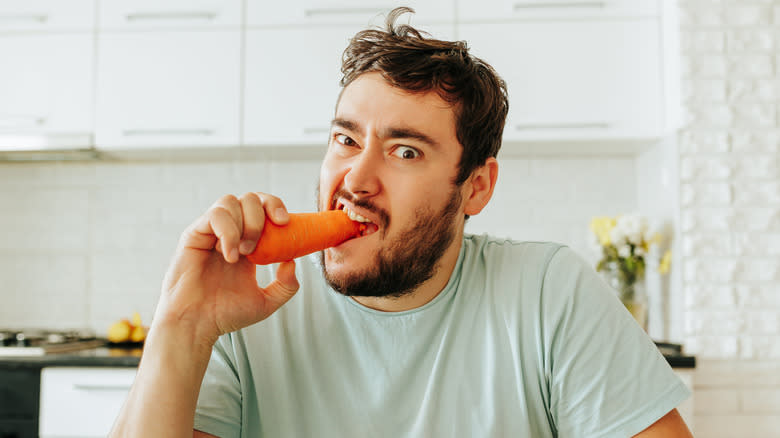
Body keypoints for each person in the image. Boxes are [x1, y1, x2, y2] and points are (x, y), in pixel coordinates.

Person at [111, 7, 693, 438]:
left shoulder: (546, 291)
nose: (356, 178)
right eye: (346, 139)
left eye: (405, 150)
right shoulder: (244, 301)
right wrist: (181, 329)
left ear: (476, 187)